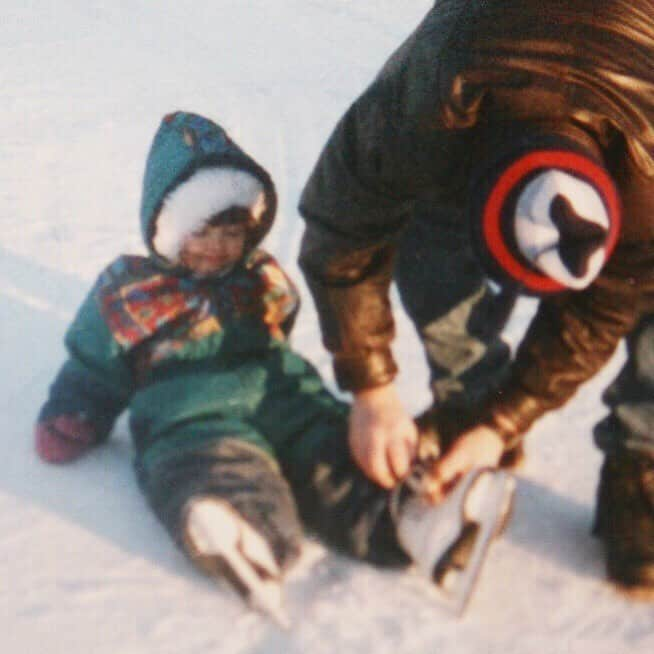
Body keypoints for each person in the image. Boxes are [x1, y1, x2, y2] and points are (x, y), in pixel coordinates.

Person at [34, 111, 503, 622]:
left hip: (281, 394)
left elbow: (285, 318)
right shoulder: (131, 290)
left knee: (332, 447)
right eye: (201, 232)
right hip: (191, 412)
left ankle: (412, 520)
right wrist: (75, 410)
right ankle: (234, 525)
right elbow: (93, 364)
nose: (218, 247)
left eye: (232, 232)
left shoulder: (259, 274)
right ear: (165, 226)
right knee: (211, 466)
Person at [298, 0, 654, 596]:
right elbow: (344, 225)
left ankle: (641, 460)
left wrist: (505, 422)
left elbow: (599, 312)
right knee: (426, 234)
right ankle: (469, 395)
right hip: (488, 43)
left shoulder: (646, 184)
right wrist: (371, 387)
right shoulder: (435, 95)